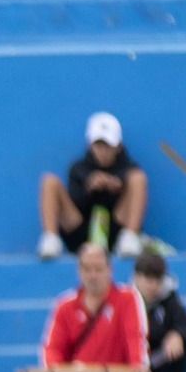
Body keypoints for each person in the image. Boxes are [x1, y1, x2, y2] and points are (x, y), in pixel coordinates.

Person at [36, 112, 149, 261]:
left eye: (108, 146)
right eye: (98, 146)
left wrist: (117, 186)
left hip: (116, 232)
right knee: (49, 181)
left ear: (118, 147)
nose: (103, 151)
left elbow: (132, 195)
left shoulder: (129, 168)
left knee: (138, 178)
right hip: (81, 233)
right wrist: (89, 188)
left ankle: (130, 237)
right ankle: (51, 239)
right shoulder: (78, 168)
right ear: (90, 145)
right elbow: (74, 202)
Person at [40, 244, 149, 370]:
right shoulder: (64, 306)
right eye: (87, 269)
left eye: (98, 269)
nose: (93, 276)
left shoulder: (128, 299)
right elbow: (52, 350)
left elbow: (136, 342)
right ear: (79, 271)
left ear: (110, 269)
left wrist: (137, 369)